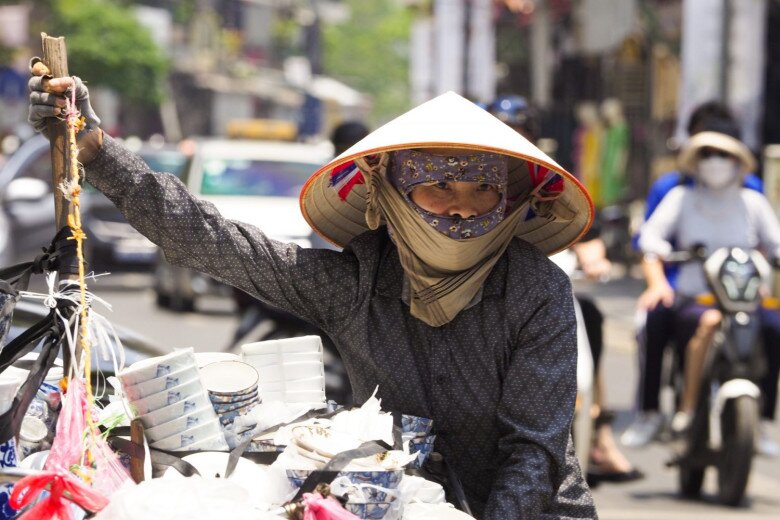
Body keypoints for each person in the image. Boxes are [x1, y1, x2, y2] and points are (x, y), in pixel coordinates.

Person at [30, 70, 597, 518]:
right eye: (438, 186)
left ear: (505, 201)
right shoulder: (354, 283)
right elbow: (216, 242)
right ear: (394, 194)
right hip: (402, 504)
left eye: (481, 191)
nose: (461, 208)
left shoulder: (537, 290)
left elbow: (534, 451)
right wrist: (99, 152)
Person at [489, 95, 642, 485]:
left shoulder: (550, 182)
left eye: (519, 132)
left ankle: (598, 431)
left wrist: (594, 257)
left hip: (539, 285)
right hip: (480, 286)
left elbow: (582, 230)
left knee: (588, 315)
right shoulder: (467, 173)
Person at [621, 102, 775, 453]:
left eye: (723, 152)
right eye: (708, 152)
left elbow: (770, 242)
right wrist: (659, 283)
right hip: (689, 293)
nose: (716, 161)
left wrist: (760, 271)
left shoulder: (751, 195)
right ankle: (656, 411)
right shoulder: (676, 193)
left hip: (743, 295)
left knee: (773, 325)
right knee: (654, 320)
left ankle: (764, 418)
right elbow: (649, 242)